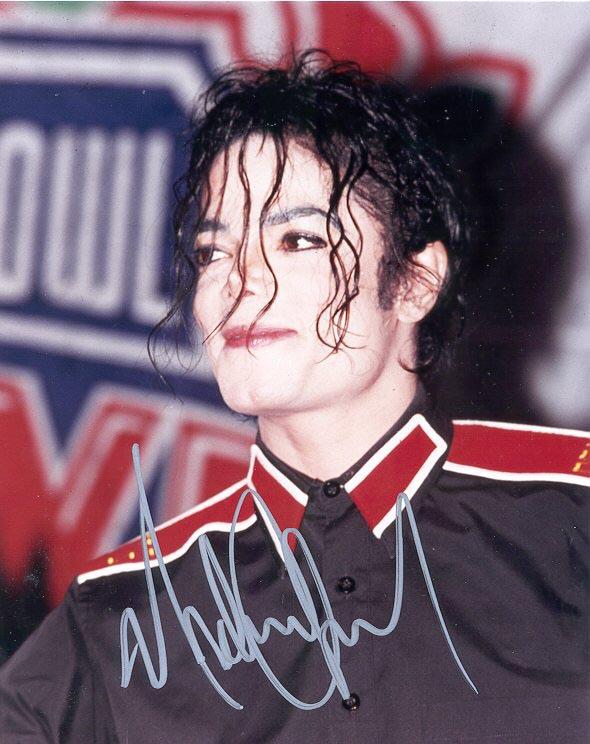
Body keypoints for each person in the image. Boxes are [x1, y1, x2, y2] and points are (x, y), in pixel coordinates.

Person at [0, 50, 588, 744]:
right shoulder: (117, 611)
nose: (239, 280)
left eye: (298, 238)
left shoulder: (567, 517)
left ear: (414, 283)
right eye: (213, 251)